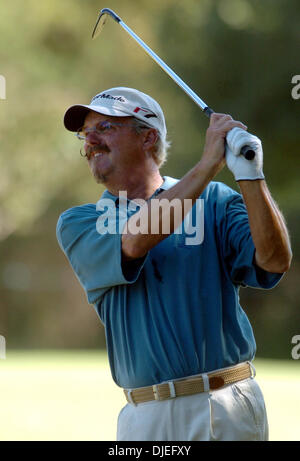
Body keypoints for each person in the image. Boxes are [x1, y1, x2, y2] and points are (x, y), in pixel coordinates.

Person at [57, 87, 292, 441]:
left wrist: (250, 174)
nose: (89, 139)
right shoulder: (81, 221)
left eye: (105, 127)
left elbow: (275, 260)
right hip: (143, 416)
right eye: (85, 132)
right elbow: (135, 240)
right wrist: (208, 164)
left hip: (225, 405)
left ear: (148, 136)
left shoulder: (215, 200)